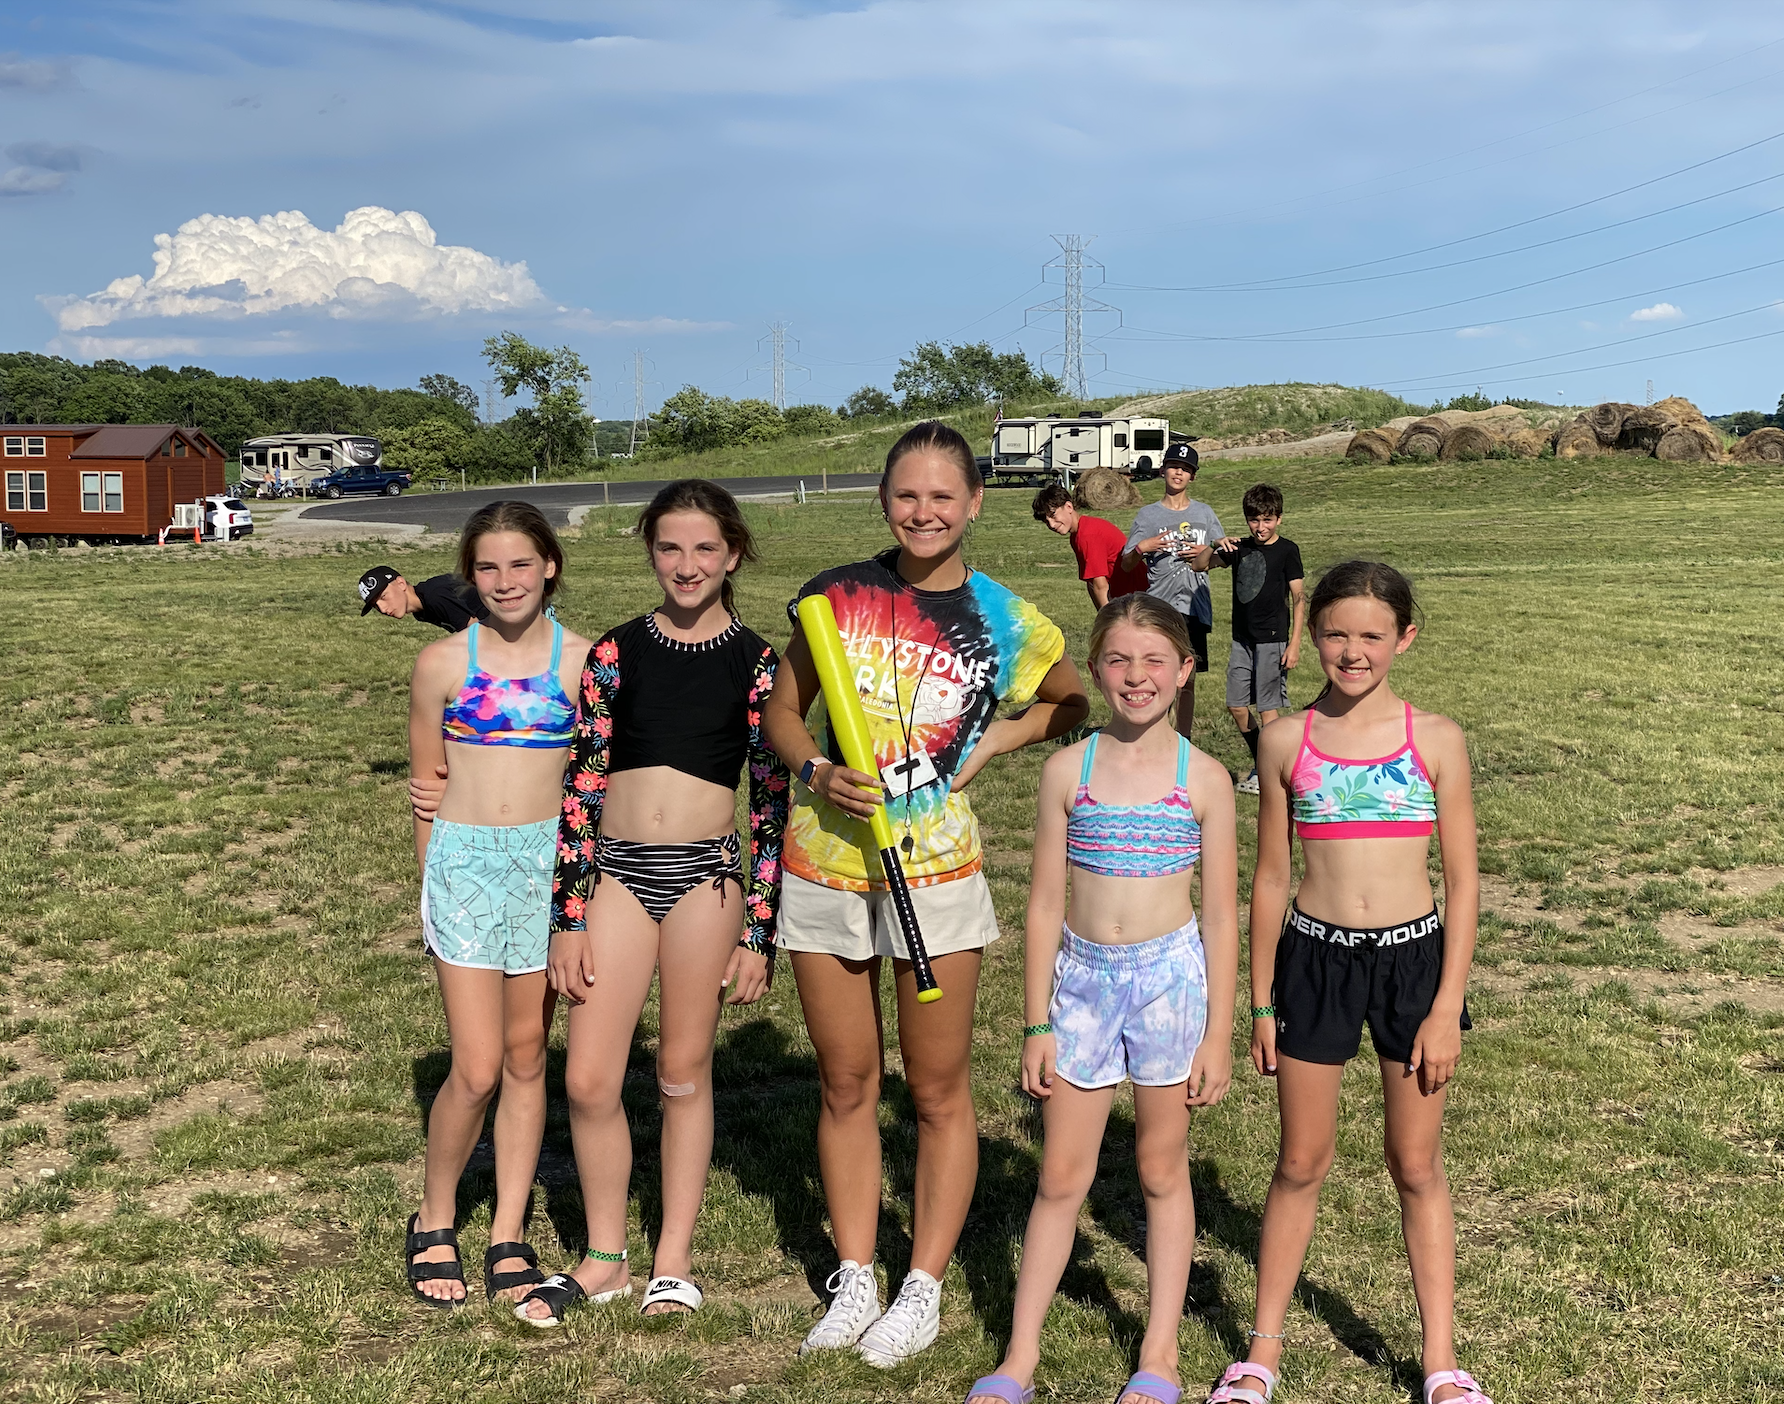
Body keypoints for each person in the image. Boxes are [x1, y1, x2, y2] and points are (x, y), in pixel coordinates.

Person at [763, 421, 1089, 1367]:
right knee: (846, 1080)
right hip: (828, 862)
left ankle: (924, 1285)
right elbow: (783, 709)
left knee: (938, 1088)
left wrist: (997, 742)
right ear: (883, 500)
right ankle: (856, 1272)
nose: (924, 512)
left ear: (975, 504)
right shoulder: (832, 596)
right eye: (907, 495)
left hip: (937, 867)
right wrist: (817, 770)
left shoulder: (1008, 618)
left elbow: (1067, 703)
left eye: (944, 496)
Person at [1208, 561, 1487, 1404]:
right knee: (1299, 1161)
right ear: (1311, 635)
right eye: (1335, 633)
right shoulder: (1285, 738)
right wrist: (1261, 1000)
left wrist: (1444, 1008)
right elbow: (1266, 878)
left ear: (1405, 638)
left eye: (1371, 635)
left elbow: (1466, 883)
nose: (1351, 651)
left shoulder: (1436, 738)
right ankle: (1260, 1354)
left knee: (1415, 1163)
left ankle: (1440, 1362)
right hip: (1313, 963)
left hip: (1414, 965)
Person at [513, 480, 789, 1327]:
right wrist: (567, 915)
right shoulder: (615, 653)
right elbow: (581, 784)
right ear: (651, 553)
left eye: (705, 548)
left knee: (679, 1071)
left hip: (707, 877)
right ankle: (605, 1256)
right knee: (590, 1077)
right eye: (670, 548)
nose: (687, 565)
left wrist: (758, 932)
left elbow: (772, 802)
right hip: (618, 876)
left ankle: (674, 1256)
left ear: (733, 554)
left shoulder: (761, 664)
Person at [967, 594, 1237, 1404]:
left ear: (1185, 670)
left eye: (1156, 661)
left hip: (1171, 986)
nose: (1136, 676)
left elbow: (1222, 916)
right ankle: (1019, 1356)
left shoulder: (1207, 779)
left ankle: (1158, 1354)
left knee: (1160, 1167)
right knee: (1060, 1176)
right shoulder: (1066, 770)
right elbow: (1044, 903)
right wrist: (1036, 1022)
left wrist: (1218, 1033)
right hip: (1081, 985)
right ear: (1097, 668)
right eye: (1118, 660)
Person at [402, 502, 590, 1308]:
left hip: (546, 869)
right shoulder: (442, 663)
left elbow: (593, 786)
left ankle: (507, 1228)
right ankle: (433, 1214)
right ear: (467, 576)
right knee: (474, 1068)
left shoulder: (587, 664)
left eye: (520, 565)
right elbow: (426, 786)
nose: (505, 581)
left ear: (549, 565)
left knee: (525, 1057)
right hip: (465, 865)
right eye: (487, 568)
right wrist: (432, 885)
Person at [1205, 484, 1305, 795]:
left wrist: (1295, 642)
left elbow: (1299, 597)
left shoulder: (1288, 551)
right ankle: (1264, 761)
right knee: (1235, 705)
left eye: (1267, 520)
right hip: (1241, 640)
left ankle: (1273, 775)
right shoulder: (1240, 549)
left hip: (1272, 640)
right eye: (1254, 520)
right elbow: (1200, 564)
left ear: (1279, 519)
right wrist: (1215, 544)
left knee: (1267, 707)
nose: (1260, 527)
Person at [1121, 443, 1224, 741]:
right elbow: (1127, 564)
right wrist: (1144, 547)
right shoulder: (1148, 515)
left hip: (1195, 605)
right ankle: (1157, 735)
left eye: (1186, 469)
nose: (1179, 473)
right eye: (1174, 467)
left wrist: (1209, 552)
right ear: (1163, 470)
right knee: (1160, 675)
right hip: (1160, 607)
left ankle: (1184, 739)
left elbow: (1221, 557)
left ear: (1193, 477)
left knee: (1187, 679)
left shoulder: (1204, 514)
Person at [1031, 482, 1148, 609]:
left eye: (1053, 515)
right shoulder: (1077, 535)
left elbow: (1100, 586)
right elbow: (1091, 583)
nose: (1052, 525)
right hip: (1126, 598)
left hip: (1139, 599)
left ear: (1069, 507)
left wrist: (1106, 620)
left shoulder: (1087, 534)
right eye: (1046, 521)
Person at [360, 564, 490, 633]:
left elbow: (477, 634)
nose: (382, 609)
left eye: (383, 596)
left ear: (401, 583)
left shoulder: (434, 597)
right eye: (375, 606)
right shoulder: (421, 612)